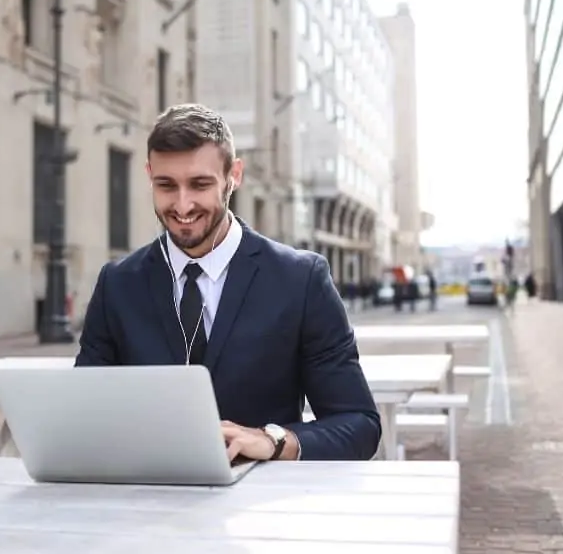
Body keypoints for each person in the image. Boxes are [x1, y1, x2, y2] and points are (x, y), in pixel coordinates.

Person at [75, 103, 381, 462]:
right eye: (166, 185)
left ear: (234, 175)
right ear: (149, 175)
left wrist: (274, 442)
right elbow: (85, 411)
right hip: (147, 497)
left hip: (259, 503)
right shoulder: (118, 284)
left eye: (200, 184)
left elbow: (359, 424)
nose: (183, 204)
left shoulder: (300, 280)